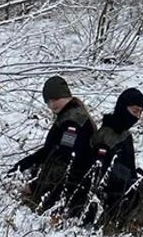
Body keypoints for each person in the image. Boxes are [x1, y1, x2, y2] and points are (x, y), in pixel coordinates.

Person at [72, 88, 143, 233]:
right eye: (135, 111)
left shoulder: (124, 134)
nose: (137, 117)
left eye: (140, 112)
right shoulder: (106, 136)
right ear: (123, 107)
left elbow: (127, 169)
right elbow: (102, 176)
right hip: (111, 204)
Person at [10, 76, 95, 211]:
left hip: (74, 186)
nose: (52, 105)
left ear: (67, 96)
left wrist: (35, 186)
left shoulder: (72, 122)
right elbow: (51, 150)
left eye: (56, 99)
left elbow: (64, 158)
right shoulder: (69, 115)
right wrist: (25, 163)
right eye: (48, 101)